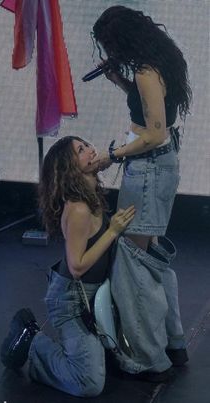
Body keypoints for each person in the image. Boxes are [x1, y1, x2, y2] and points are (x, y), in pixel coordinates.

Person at [90, 5, 192, 381]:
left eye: (109, 45)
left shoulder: (148, 72)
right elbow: (151, 108)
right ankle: (173, 342)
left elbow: (154, 134)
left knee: (133, 264)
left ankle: (150, 359)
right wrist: (120, 80)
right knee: (149, 259)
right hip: (156, 169)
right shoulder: (153, 66)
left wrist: (111, 154)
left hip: (148, 171)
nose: (109, 51)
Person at [0, 135, 135, 397]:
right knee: (89, 383)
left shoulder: (91, 193)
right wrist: (113, 231)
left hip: (92, 296)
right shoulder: (79, 209)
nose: (90, 150)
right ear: (69, 168)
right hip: (71, 301)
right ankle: (33, 341)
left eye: (87, 145)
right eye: (81, 151)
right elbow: (77, 267)